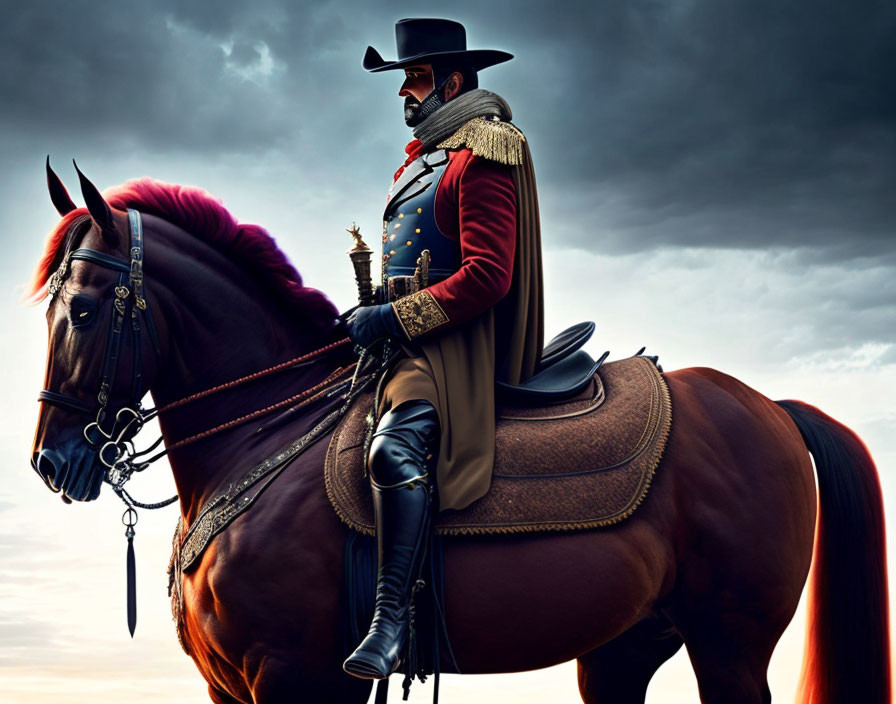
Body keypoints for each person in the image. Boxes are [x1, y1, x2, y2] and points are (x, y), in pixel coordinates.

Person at [343, 17, 544, 680]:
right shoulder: (425, 159)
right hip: (409, 341)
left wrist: (394, 318)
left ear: (452, 82)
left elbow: (489, 274)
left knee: (392, 447)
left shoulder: (484, 150)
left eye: (417, 77)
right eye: (404, 78)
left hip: (455, 346)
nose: (404, 91)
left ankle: (391, 621)